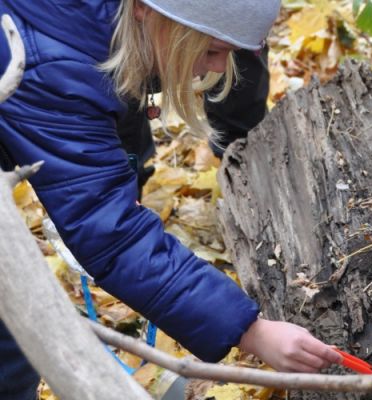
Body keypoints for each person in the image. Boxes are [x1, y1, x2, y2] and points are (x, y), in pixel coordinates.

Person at [0, 0, 342, 398]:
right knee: (11, 335)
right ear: (148, 11)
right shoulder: (54, 65)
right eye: (212, 50)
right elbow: (113, 236)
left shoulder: (106, 28)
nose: (216, 67)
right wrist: (252, 332)